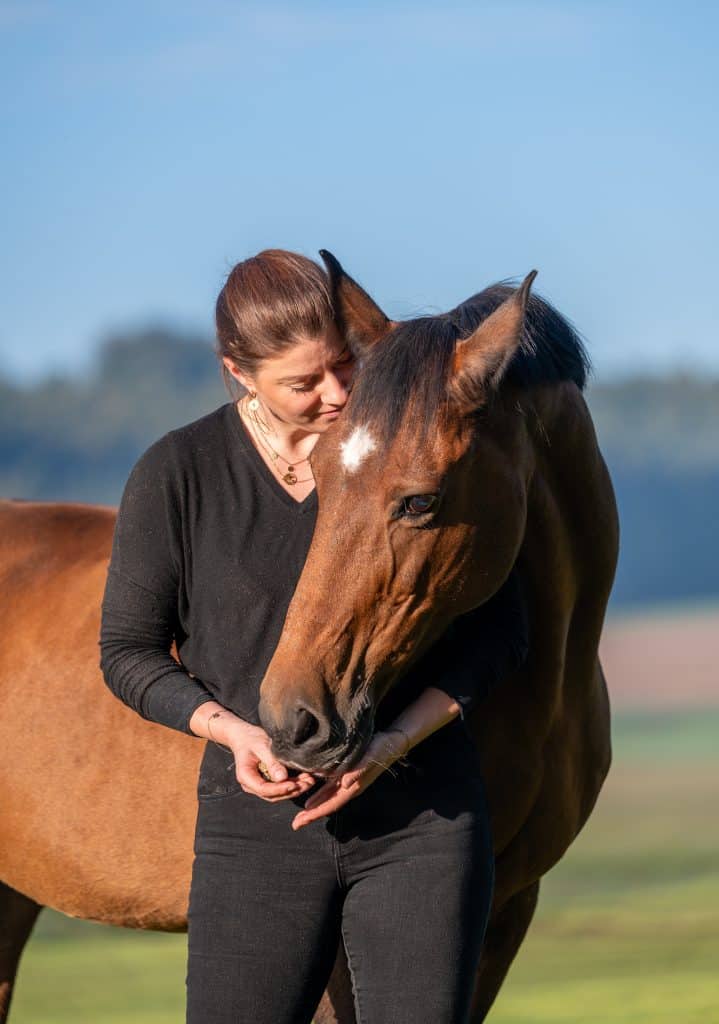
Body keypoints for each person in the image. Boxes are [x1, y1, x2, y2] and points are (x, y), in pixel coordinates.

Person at [100, 249, 529, 1024]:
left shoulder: (401, 455)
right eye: (303, 383)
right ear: (238, 373)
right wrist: (233, 734)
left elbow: (501, 629)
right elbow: (126, 652)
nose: (335, 396)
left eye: (343, 368)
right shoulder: (179, 473)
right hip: (257, 829)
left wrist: (392, 742)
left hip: (422, 816)